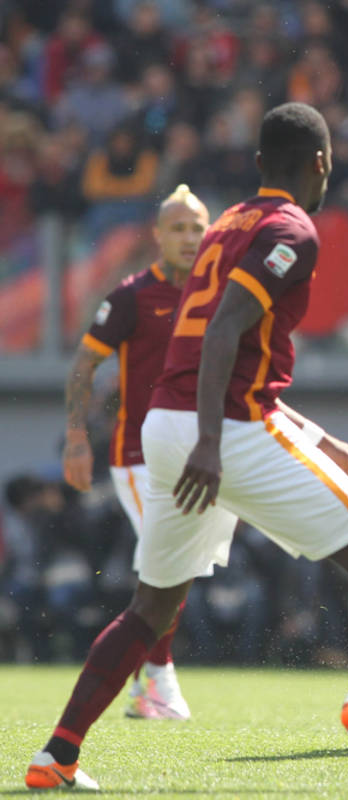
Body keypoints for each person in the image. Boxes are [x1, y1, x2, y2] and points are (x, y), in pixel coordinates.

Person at [26, 102, 348, 792]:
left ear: (258, 164)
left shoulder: (225, 224)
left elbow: (223, 345)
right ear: (321, 163)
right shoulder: (293, 229)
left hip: (165, 424)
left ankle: (57, 754)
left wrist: (311, 434)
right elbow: (224, 333)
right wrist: (212, 444)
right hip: (221, 428)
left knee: (150, 609)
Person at [61, 184, 209, 720]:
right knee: (169, 559)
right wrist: (77, 437)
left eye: (197, 228)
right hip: (138, 456)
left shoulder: (216, 295)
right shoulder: (131, 296)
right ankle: (157, 677)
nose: (189, 237)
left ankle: (149, 677)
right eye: (178, 228)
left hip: (198, 455)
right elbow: (84, 364)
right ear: (157, 235)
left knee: (179, 562)